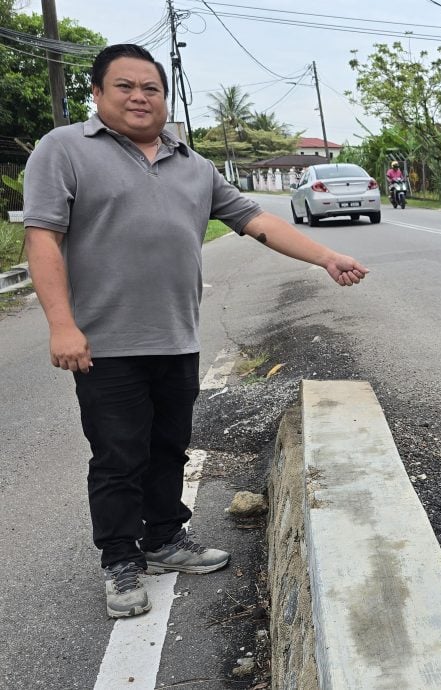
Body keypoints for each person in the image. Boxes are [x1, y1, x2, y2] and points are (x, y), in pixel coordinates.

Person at [23, 44, 369, 619]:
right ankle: (119, 560)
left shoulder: (194, 165)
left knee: (167, 448)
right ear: (98, 94)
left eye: (150, 88)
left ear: (165, 96)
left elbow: (257, 223)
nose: (139, 97)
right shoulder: (63, 150)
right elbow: (42, 237)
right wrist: (62, 325)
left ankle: (162, 541)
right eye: (125, 87)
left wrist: (326, 256)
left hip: (177, 338)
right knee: (117, 456)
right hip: (104, 344)